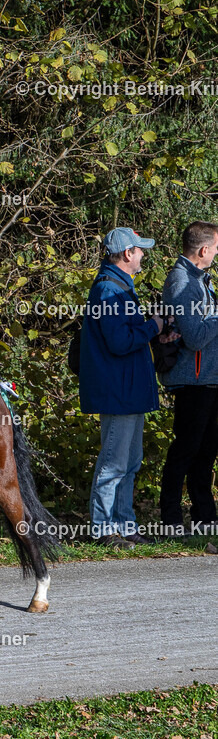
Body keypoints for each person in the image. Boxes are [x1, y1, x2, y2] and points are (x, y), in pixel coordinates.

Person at [79, 227, 167, 548]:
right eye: (140, 249)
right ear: (128, 253)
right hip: (119, 392)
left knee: (129, 463)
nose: (143, 254)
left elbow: (126, 337)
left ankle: (124, 525)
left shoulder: (119, 287)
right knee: (114, 464)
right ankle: (103, 530)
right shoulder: (108, 290)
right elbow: (119, 342)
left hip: (128, 391)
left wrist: (153, 332)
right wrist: (153, 326)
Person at [158, 221, 218, 535]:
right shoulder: (183, 281)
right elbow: (194, 337)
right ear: (204, 249)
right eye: (217, 247)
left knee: (206, 452)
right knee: (186, 450)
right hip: (192, 379)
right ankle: (170, 520)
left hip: (207, 378)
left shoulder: (201, 280)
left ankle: (205, 518)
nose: (217, 253)